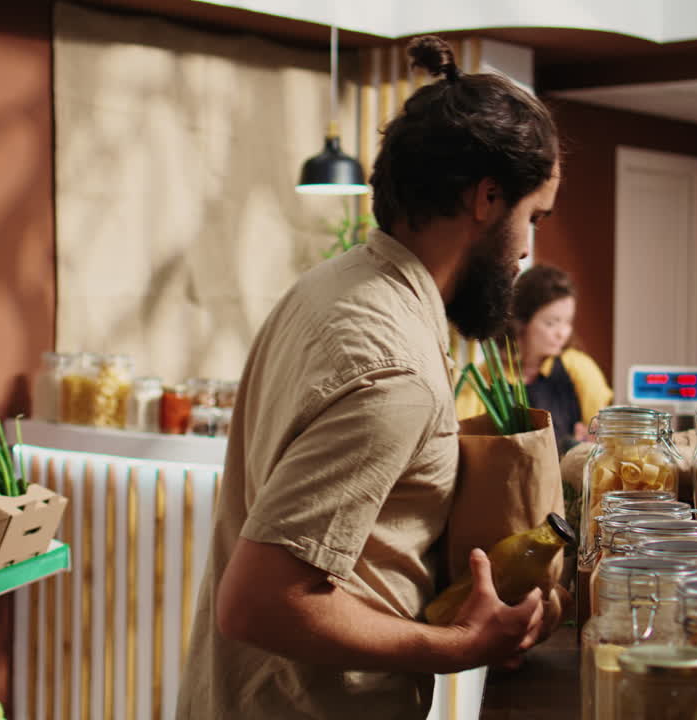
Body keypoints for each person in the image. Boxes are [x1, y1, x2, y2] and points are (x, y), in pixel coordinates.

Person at [176, 35, 562, 720]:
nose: (529, 248)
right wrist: (456, 646)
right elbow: (260, 601)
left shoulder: (331, 287)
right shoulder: (395, 367)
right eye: (532, 217)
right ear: (487, 197)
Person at [456, 265, 613, 453]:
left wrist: (588, 442)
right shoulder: (484, 378)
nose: (563, 333)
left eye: (568, 322)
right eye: (551, 323)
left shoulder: (578, 367)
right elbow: (462, 439)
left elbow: (606, 434)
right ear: (520, 324)